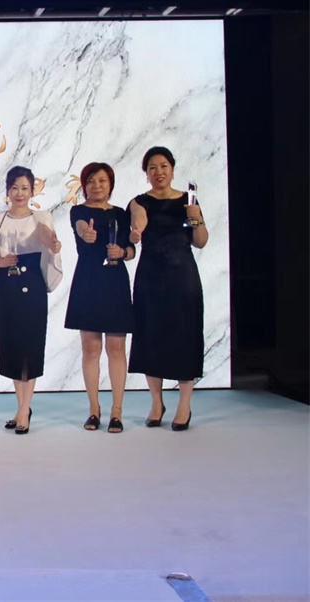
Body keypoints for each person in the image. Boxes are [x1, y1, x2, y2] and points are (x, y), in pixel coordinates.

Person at [127, 146, 208, 431]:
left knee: (186, 337)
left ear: (172, 169)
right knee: (150, 336)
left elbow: (200, 241)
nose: (158, 172)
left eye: (163, 166)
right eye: (152, 167)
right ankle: (156, 403)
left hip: (183, 277)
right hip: (150, 277)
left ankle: (184, 404)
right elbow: (137, 223)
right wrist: (136, 231)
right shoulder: (139, 202)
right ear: (146, 173)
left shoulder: (189, 201)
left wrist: (196, 217)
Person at [0, 166, 62, 435]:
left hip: (32, 286)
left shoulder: (41, 216)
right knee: (12, 346)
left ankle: (25, 409)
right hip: (7, 288)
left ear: (32, 191)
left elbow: (46, 236)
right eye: (14, 188)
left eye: (25, 188)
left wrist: (53, 243)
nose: (19, 193)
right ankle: (21, 407)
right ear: (7, 191)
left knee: (30, 345)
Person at [63, 162, 135, 434]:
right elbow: (81, 226)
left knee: (116, 348)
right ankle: (94, 409)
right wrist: (86, 233)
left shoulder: (120, 214)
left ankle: (117, 410)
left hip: (115, 282)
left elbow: (131, 248)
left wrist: (124, 253)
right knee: (91, 348)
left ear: (110, 184)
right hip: (88, 282)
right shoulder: (78, 211)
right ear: (84, 186)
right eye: (91, 181)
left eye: (102, 181)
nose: (97, 186)